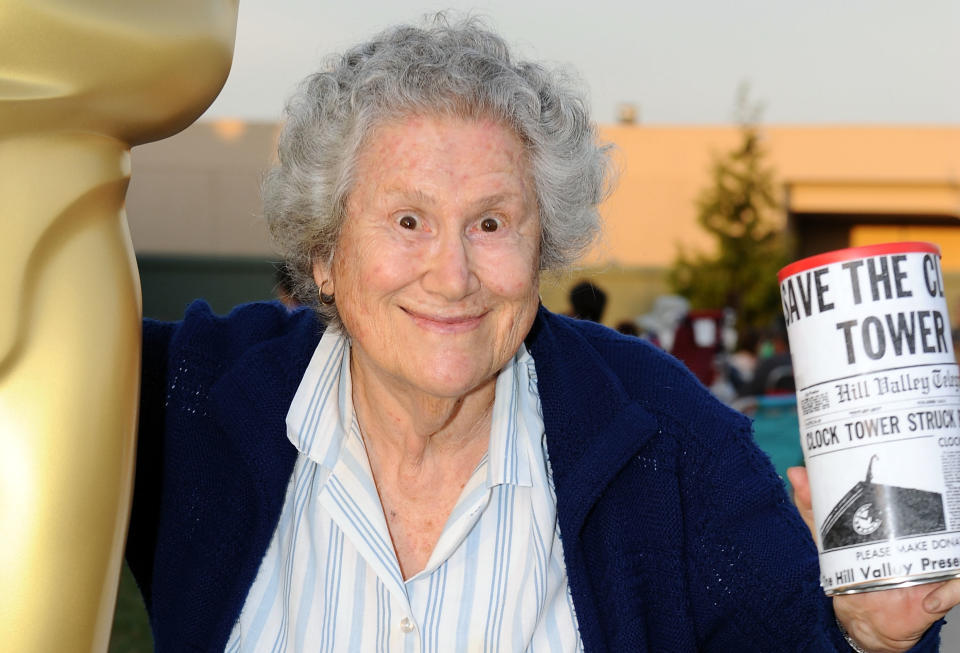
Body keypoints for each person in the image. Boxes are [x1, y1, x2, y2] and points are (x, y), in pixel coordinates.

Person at [126, 16, 959, 652]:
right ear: (326, 255)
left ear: (542, 248)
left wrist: (868, 639)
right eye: (408, 219)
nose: (452, 274)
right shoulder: (190, 400)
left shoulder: (668, 441)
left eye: (491, 222)